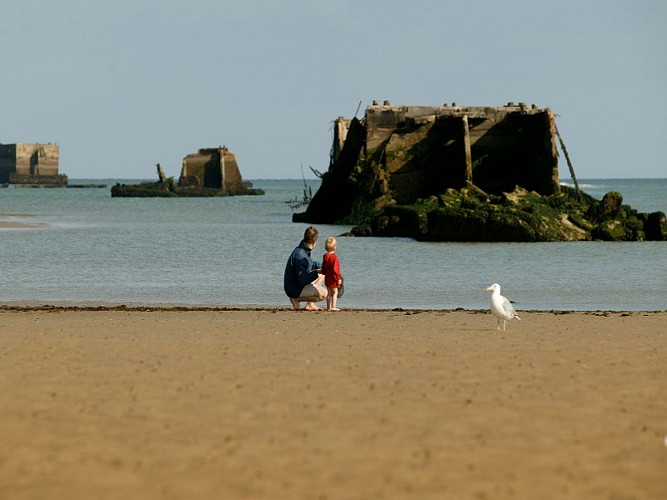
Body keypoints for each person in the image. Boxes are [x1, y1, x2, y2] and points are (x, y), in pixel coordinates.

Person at [283, 226, 327, 310]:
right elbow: (302, 281)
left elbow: (310, 264)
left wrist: (324, 266)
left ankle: (310, 305)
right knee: (324, 293)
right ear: (315, 242)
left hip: (294, 284)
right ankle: (296, 299)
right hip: (294, 288)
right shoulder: (301, 255)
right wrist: (316, 273)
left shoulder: (302, 249)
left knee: (322, 275)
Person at [322, 236, 343, 311]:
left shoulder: (325, 257)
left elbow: (323, 269)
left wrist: (323, 272)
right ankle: (333, 307)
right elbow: (336, 270)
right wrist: (338, 278)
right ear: (334, 247)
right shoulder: (334, 258)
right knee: (335, 293)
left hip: (327, 278)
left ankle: (328, 307)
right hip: (333, 278)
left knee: (329, 293)